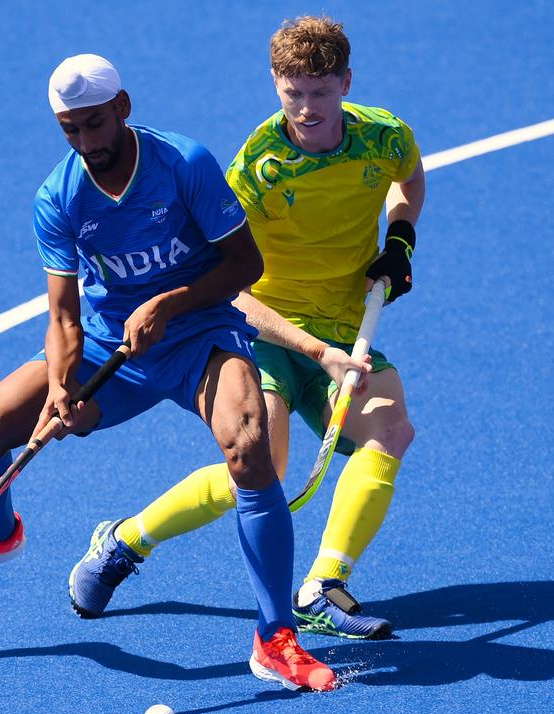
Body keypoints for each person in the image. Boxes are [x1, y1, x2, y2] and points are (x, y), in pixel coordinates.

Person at [0, 54, 335, 692]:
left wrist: (168, 303)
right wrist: (62, 390)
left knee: (250, 448)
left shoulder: (184, 164)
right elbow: (62, 316)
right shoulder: (58, 197)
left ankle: (275, 637)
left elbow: (243, 264)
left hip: (200, 334)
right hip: (112, 347)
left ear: (123, 108)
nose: (87, 143)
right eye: (71, 131)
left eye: (94, 125)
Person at [71, 17, 426, 641]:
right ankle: (126, 540)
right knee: (260, 465)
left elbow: (409, 181)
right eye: (294, 93)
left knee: (391, 430)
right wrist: (314, 349)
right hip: (265, 335)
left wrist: (399, 241)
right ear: (275, 85)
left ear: (346, 81)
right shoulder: (259, 168)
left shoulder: (384, 137)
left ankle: (323, 586)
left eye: (321, 91)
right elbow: (228, 277)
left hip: (343, 329)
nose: (308, 108)